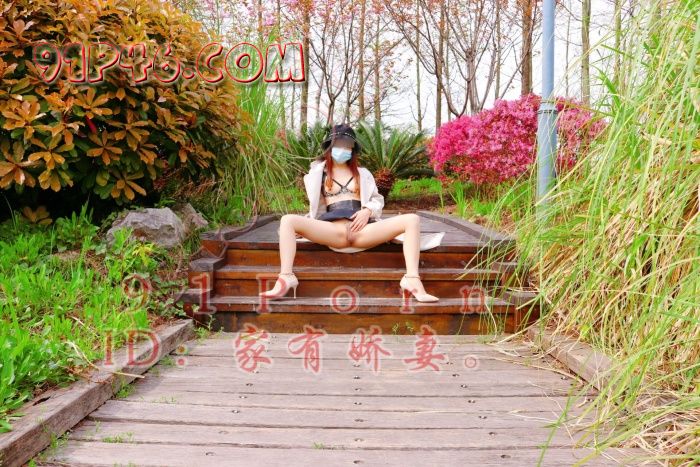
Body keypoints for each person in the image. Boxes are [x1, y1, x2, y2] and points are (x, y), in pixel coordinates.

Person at [259, 123, 440, 302]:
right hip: (333, 230)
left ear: (353, 149)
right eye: (338, 144)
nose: (343, 149)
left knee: (412, 220)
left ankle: (412, 279)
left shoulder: (363, 173)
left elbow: (377, 200)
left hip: (362, 231)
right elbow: (316, 208)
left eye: (347, 146)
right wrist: (306, 227)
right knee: (288, 220)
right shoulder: (317, 174)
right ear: (330, 146)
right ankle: (286, 277)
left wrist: (367, 211)